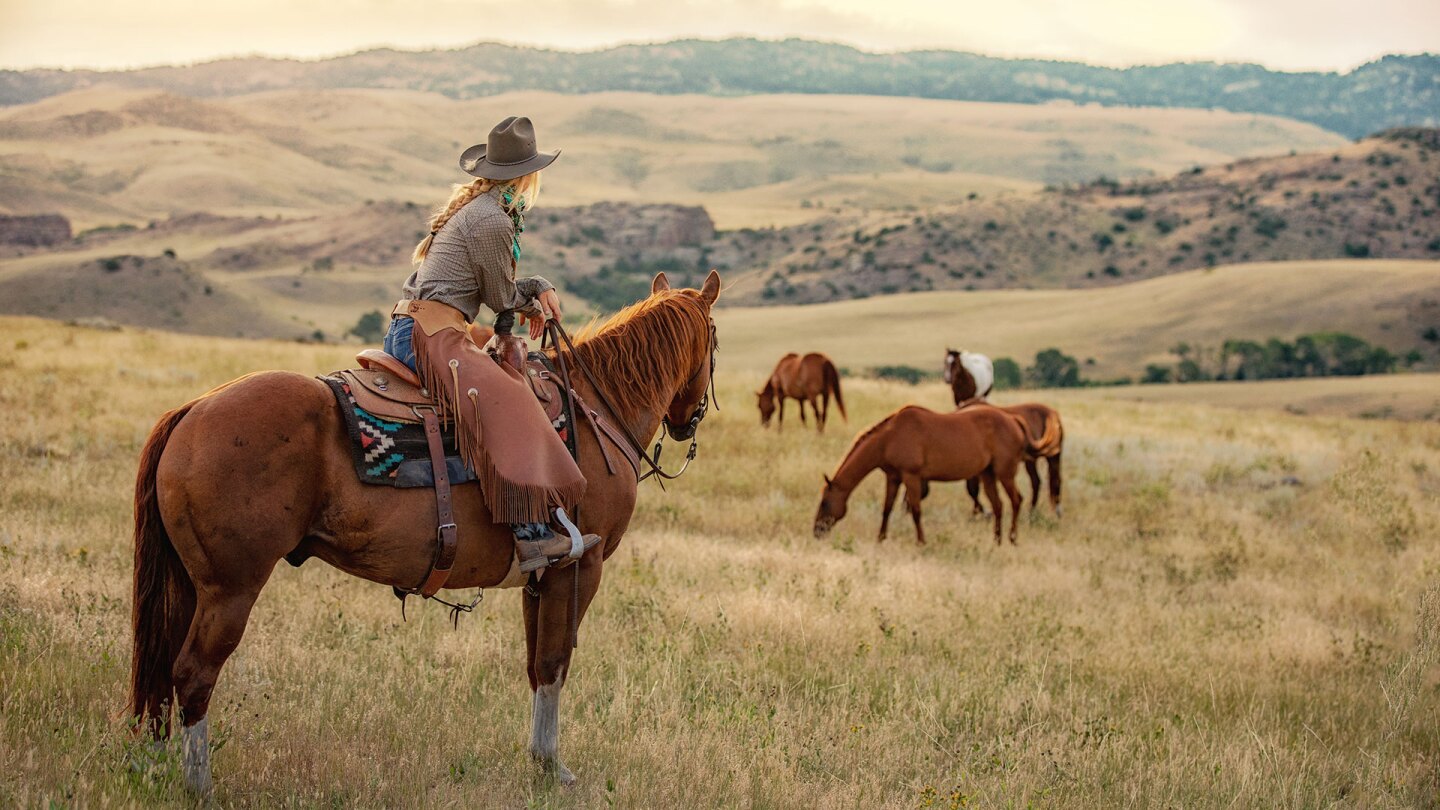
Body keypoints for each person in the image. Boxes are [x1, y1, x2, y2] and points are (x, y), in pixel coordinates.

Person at [382, 116, 597, 575]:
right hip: (430, 335)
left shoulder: (480, 210)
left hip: (421, 327)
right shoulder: (491, 220)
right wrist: (539, 288)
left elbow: (494, 293)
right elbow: (501, 296)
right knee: (509, 399)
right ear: (528, 174)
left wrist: (522, 301)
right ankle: (531, 534)